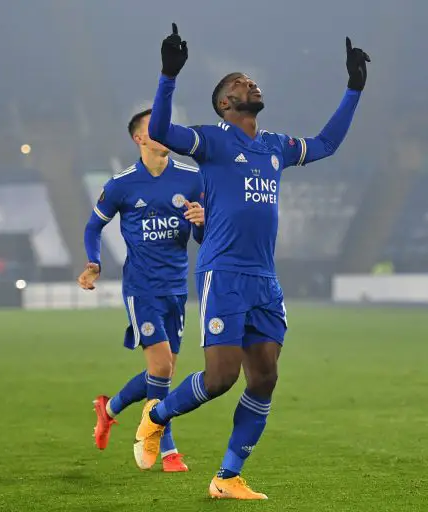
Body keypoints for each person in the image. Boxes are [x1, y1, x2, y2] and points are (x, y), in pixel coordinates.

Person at [133, 23, 370, 498]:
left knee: (265, 378)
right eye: (240, 83)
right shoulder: (213, 141)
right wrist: (168, 76)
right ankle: (156, 415)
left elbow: (325, 144)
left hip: (264, 278)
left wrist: (353, 89)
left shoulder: (274, 146)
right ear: (225, 103)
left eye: (252, 81)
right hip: (223, 272)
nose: (251, 84)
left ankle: (227, 477)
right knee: (221, 378)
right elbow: (159, 131)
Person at [79, 107, 206, 473]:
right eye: (155, 128)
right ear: (138, 138)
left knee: (162, 373)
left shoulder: (192, 178)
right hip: (141, 288)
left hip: (176, 287)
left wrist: (201, 223)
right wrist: (94, 263)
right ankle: (168, 450)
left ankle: (109, 408)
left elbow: (202, 235)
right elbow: (93, 227)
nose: (165, 131)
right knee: (162, 367)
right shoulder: (121, 184)